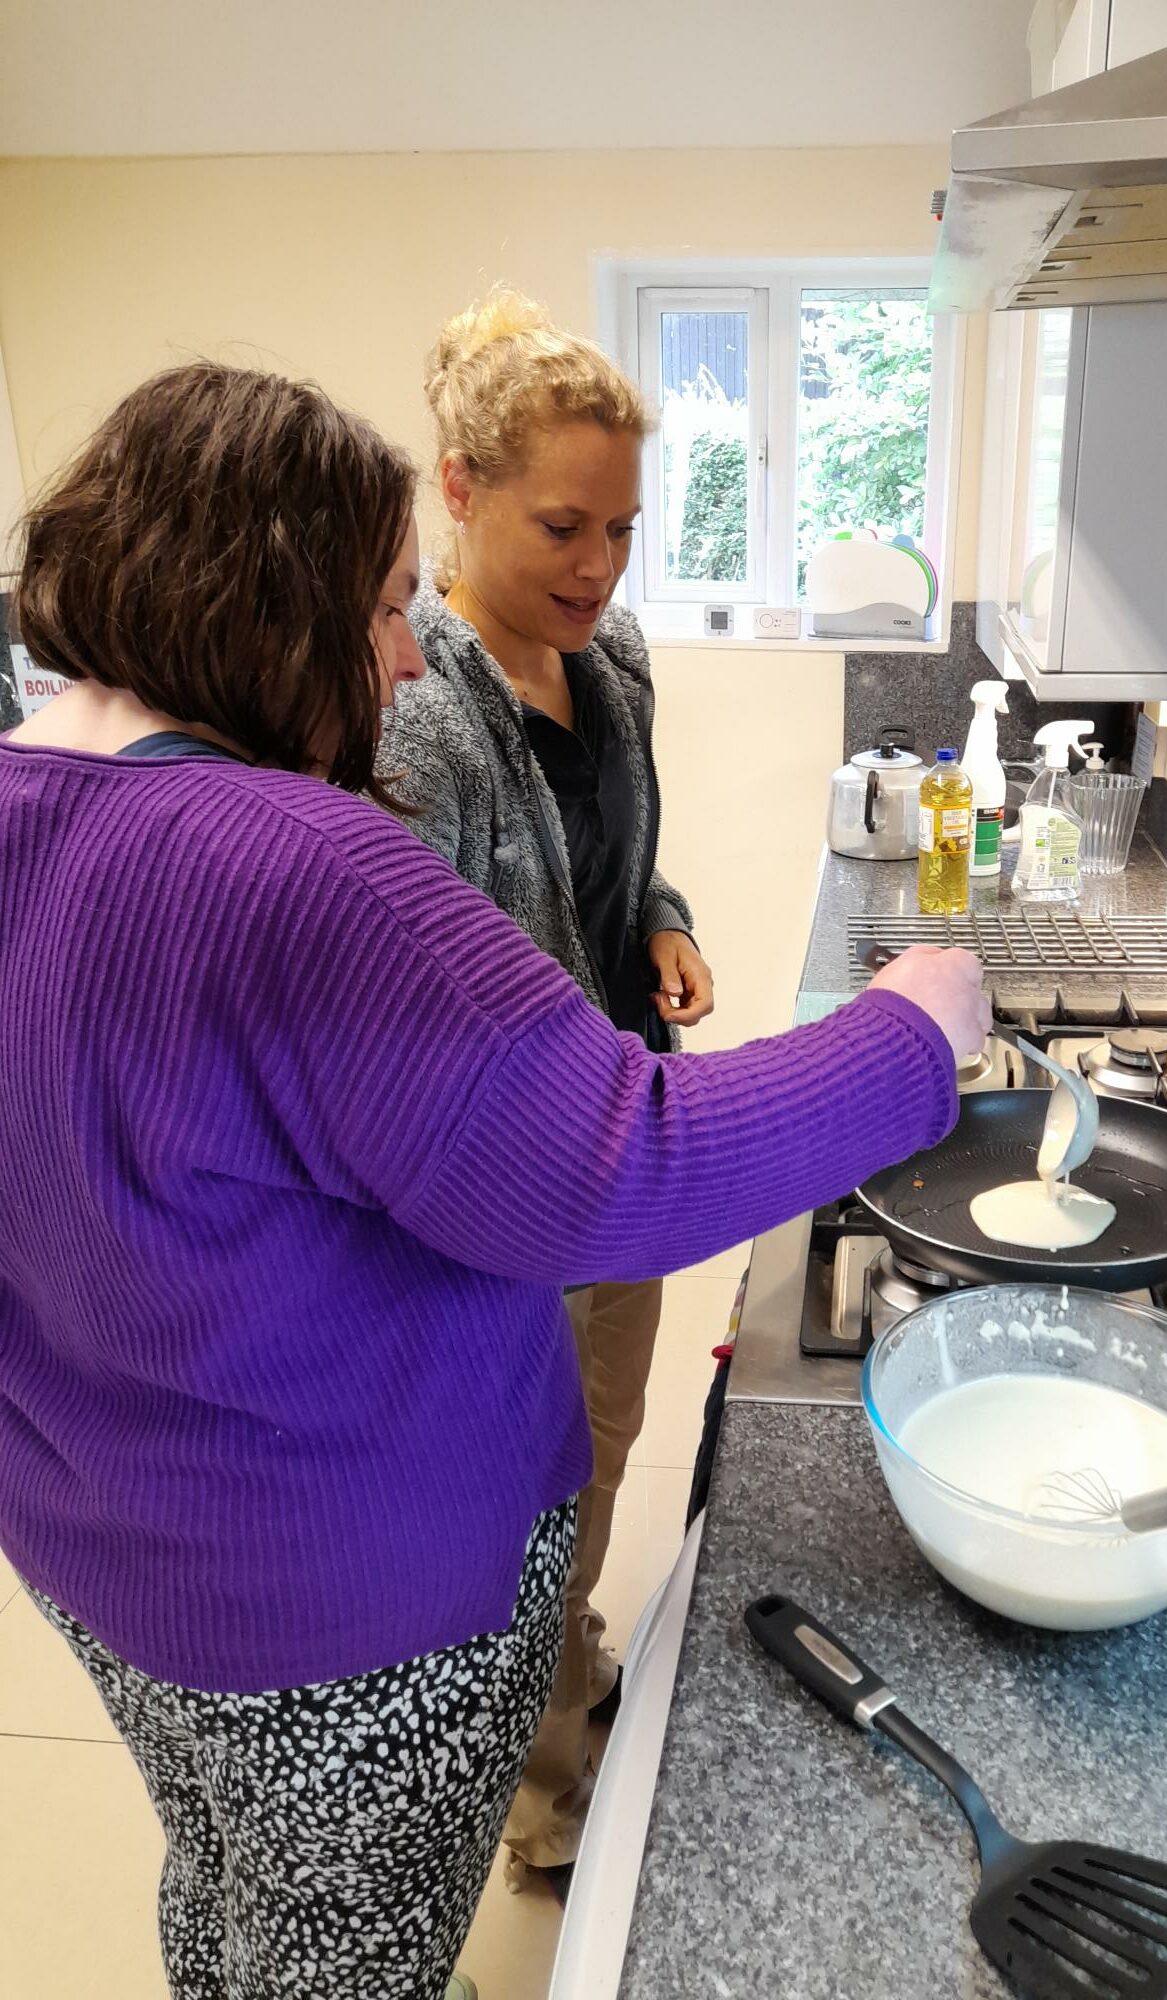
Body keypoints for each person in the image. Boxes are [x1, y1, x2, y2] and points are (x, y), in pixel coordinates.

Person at [0, 360, 987, 2000]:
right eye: (381, 609)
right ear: (263, 597)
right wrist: (909, 1037)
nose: (402, 658)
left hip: (108, 1558)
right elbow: (617, 1162)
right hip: (353, 1610)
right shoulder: (301, 869)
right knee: (352, 1957)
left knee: (230, 1871)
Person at [376, 289, 708, 1889]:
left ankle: (561, 1696)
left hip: (625, 1143)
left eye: (624, 531)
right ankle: (548, 1805)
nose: (598, 569)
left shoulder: (614, 655)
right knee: (538, 1503)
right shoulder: (413, 721)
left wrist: (662, 921)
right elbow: (411, 1009)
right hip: (518, 1197)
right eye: (564, 526)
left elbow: (617, 854)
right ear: (460, 488)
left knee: (601, 1459)